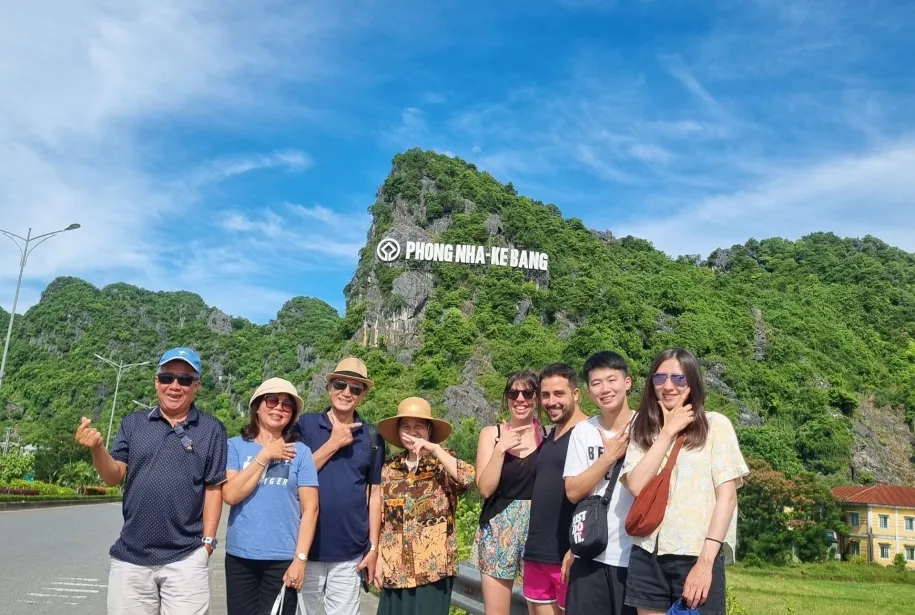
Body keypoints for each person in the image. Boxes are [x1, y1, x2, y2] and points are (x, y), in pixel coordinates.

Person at [75, 347, 227, 615]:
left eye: (185, 379)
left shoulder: (212, 429)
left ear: (197, 385)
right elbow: (113, 476)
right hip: (131, 557)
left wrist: (208, 542)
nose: (175, 386)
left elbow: (213, 487)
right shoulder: (133, 423)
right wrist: (97, 449)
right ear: (157, 382)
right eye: (167, 378)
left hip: (187, 556)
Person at [620, 348, 749, 615]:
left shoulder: (715, 426)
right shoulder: (642, 429)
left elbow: (727, 499)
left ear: (693, 383)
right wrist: (667, 432)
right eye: (659, 378)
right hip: (647, 553)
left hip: (696, 554)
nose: (668, 386)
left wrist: (705, 563)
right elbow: (636, 485)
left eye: (678, 379)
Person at [295, 357, 385, 615]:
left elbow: (375, 493)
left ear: (363, 396)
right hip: (306, 549)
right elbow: (294, 477)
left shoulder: (372, 436)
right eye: (340, 384)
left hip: (350, 553)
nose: (347, 392)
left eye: (355, 388)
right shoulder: (306, 425)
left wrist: (373, 547)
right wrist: (333, 443)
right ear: (329, 387)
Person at [222, 377, 320, 615]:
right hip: (240, 557)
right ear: (257, 407)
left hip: (283, 559)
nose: (279, 407)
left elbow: (311, 510)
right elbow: (231, 494)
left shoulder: (302, 453)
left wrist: (300, 560)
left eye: (287, 404)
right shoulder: (234, 446)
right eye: (272, 400)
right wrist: (266, 455)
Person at [373, 397, 475, 615]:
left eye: (419, 426)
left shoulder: (444, 463)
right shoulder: (390, 468)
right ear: (399, 432)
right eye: (406, 427)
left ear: (429, 429)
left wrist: (435, 450)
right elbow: (382, 520)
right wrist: (379, 560)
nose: (413, 432)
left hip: (433, 569)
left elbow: (468, 478)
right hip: (395, 569)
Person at [562, 351, 637, 615]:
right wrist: (608, 458)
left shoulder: (648, 426)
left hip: (636, 557)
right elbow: (572, 491)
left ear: (627, 382)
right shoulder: (584, 431)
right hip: (589, 554)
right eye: (596, 383)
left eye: (611, 380)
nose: (605, 389)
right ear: (588, 391)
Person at [472, 370, 544, 615]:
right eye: (514, 393)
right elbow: (485, 488)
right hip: (498, 526)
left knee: (539, 609)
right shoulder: (491, 434)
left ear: (537, 398)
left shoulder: (547, 435)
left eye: (528, 393)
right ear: (507, 397)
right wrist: (500, 449)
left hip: (538, 528)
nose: (520, 399)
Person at [522, 363, 589, 614]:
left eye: (559, 394)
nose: (551, 402)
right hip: (538, 552)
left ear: (576, 394)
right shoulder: (550, 437)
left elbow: (597, 495)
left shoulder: (589, 433)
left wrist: (577, 547)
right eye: (545, 395)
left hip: (569, 556)